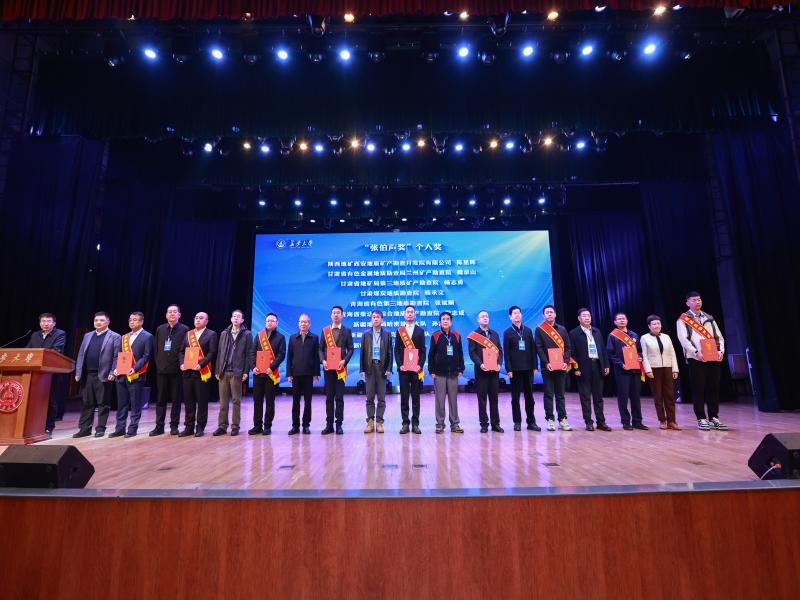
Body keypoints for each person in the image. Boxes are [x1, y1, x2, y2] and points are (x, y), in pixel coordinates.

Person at [677, 292, 728, 430]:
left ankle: (714, 417)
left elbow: (719, 337)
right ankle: (701, 418)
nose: (697, 302)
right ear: (687, 303)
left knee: (714, 387)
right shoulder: (683, 319)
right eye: (694, 300)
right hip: (696, 359)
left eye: (699, 299)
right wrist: (695, 352)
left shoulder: (709, 318)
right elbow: (683, 339)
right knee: (698, 389)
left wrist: (720, 351)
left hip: (712, 357)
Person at [73, 312, 120, 438]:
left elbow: (116, 356)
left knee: (103, 403)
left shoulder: (115, 336)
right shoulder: (87, 335)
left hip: (104, 375)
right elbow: (81, 354)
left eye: (101, 320)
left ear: (108, 322)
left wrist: (112, 372)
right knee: (87, 403)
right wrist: (78, 372)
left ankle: (100, 428)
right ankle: (85, 429)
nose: (98, 322)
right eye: (96, 320)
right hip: (87, 374)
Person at [110, 312, 153, 438]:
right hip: (121, 374)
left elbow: (146, 356)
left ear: (141, 321)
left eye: (135, 320)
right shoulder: (124, 337)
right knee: (121, 404)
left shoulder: (148, 336)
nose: (132, 322)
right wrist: (115, 369)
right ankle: (120, 428)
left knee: (135, 403)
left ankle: (132, 428)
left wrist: (134, 368)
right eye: (130, 320)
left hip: (136, 375)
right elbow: (118, 355)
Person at [568, 308, 611, 432]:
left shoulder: (596, 331)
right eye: (584, 316)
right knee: (585, 396)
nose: (587, 318)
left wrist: (606, 364)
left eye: (589, 315)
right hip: (583, 368)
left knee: (598, 397)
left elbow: (602, 349)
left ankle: (601, 422)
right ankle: (588, 422)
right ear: (579, 318)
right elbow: (572, 352)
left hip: (597, 365)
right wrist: (576, 368)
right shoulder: (574, 333)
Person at [150, 304, 190, 436]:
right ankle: (159, 426)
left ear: (179, 315)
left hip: (177, 370)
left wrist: (182, 364)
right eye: (170, 312)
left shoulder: (185, 329)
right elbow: (156, 349)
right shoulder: (160, 329)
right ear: (166, 315)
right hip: (162, 370)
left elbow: (186, 350)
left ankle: (174, 426)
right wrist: (158, 364)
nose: (172, 314)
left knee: (176, 400)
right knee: (160, 399)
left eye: (175, 312)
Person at [213, 309, 254, 437]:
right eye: (234, 316)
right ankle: (222, 426)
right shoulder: (224, 333)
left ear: (242, 320)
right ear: (231, 319)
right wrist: (217, 369)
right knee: (223, 401)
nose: (236, 318)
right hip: (223, 371)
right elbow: (220, 352)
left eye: (238, 317)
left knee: (236, 400)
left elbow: (248, 354)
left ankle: (235, 426)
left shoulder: (247, 334)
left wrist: (246, 371)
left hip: (237, 372)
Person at [606, 312, 648, 431]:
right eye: (619, 319)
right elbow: (610, 354)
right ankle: (625, 422)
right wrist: (621, 364)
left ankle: (637, 421)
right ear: (615, 322)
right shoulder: (612, 336)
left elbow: (639, 350)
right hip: (622, 371)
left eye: (623, 318)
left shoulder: (634, 335)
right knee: (623, 397)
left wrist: (640, 357)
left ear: (627, 320)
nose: (622, 320)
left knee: (636, 397)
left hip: (635, 370)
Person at [25, 312, 66, 435]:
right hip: (35, 373)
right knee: (34, 400)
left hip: (51, 373)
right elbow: (27, 350)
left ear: (54, 323)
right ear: (40, 323)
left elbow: (56, 351)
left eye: (48, 321)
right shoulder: (35, 335)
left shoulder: (60, 334)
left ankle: (49, 427)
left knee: (51, 401)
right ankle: (33, 425)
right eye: (43, 321)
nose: (45, 324)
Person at [178, 312, 218, 437]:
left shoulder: (211, 334)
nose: (198, 320)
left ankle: (200, 427)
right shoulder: (188, 334)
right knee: (188, 401)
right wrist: (182, 363)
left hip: (202, 372)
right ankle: (188, 427)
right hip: (187, 372)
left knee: (201, 401)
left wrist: (201, 364)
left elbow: (212, 353)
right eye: (196, 318)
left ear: (206, 321)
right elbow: (181, 351)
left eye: (201, 318)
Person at [535, 305, 573, 431]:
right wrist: (546, 363)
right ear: (543, 315)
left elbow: (567, 347)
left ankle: (562, 419)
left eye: (551, 312)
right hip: (547, 367)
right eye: (547, 312)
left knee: (560, 394)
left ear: (555, 314)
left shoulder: (562, 329)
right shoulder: (539, 330)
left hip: (561, 366)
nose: (549, 314)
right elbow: (539, 348)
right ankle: (550, 419)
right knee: (548, 394)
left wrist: (565, 362)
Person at [502, 305, 540, 432]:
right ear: (510, 317)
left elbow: (533, 349)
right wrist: (508, 369)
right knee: (515, 398)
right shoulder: (507, 332)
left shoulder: (528, 330)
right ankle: (517, 422)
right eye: (514, 313)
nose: (517, 315)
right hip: (515, 370)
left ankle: (531, 422)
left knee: (530, 397)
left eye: (519, 313)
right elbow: (506, 353)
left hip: (528, 368)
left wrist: (535, 366)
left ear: (521, 315)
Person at [319, 306, 354, 435]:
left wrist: (344, 361)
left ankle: (339, 424)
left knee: (339, 397)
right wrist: (323, 360)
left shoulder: (347, 331)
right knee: (329, 397)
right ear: (331, 315)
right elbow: (320, 349)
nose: (336, 315)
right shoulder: (325, 331)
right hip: (328, 369)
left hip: (340, 369)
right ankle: (329, 425)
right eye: (333, 313)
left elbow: (351, 348)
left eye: (338, 313)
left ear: (342, 315)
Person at [641, 315, 681, 430]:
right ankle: (662, 420)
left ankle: (672, 421)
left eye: (658, 323)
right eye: (654, 324)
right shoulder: (644, 338)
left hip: (668, 368)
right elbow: (644, 355)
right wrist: (648, 370)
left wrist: (675, 369)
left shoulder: (666, 337)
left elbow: (672, 353)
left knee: (670, 396)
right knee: (658, 396)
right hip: (654, 369)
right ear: (649, 326)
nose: (657, 326)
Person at [428, 311, 465, 434]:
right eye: (443, 319)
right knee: (440, 399)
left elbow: (460, 353)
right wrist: (431, 370)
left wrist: (461, 368)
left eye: (447, 319)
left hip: (453, 372)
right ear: (440, 322)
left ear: (451, 322)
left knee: (453, 399)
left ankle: (455, 424)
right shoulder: (435, 335)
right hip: (439, 373)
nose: (445, 321)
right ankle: (440, 424)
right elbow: (431, 354)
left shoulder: (457, 335)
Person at [468, 310, 504, 433]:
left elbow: (500, 351)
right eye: (482, 316)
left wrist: (499, 364)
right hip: (481, 371)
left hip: (494, 371)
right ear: (478, 320)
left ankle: (495, 424)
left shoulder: (495, 334)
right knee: (482, 398)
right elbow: (472, 353)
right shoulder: (474, 335)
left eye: (486, 316)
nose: (485, 318)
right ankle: (484, 424)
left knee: (494, 398)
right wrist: (480, 364)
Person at [250, 312, 285, 435]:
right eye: (268, 321)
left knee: (270, 401)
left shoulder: (280, 337)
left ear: (277, 323)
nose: (269, 323)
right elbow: (252, 353)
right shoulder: (259, 336)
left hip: (271, 374)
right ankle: (257, 426)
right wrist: (253, 367)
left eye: (272, 321)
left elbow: (281, 355)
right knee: (257, 401)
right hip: (258, 374)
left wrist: (272, 367)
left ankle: (267, 426)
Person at [286, 314, 320, 435]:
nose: (303, 324)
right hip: (295, 374)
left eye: (305, 322)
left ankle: (306, 425)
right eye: (301, 322)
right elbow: (289, 357)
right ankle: (295, 426)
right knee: (295, 401)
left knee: (308, 401)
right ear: (298, 324)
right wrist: (289, 373)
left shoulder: (314, 338)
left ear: (309, 324)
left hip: (308, 374)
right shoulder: (292, 338)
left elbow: (316, 357)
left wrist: (316, 373)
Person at [360, 309, 393, 434]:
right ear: (371, 319)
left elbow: (390, 353)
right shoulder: (366, 334)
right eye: (373, 317)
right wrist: (362, 369)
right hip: (369, 367)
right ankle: (370, 422)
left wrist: (389, 368)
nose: (375, 319)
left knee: (381, 397)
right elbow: (362, 353)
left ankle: (379, 422)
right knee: (369, 397)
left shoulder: (387, 334)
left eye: (378, 317)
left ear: (382, 320)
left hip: (382, 368)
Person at [395, 305, 426, 434]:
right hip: (403, 369)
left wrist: (420, 365)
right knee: (404, 397)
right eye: (407, 312)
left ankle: (415, 424)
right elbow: (396, 350)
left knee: (416, 397)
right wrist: (400, 365)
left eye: (412, 312)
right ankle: (405, 423)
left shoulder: (420, 331)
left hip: (416, 369)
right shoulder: (400, 331)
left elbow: (423, 351)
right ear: (404, 315)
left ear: (415, 314)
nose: (409, 314)